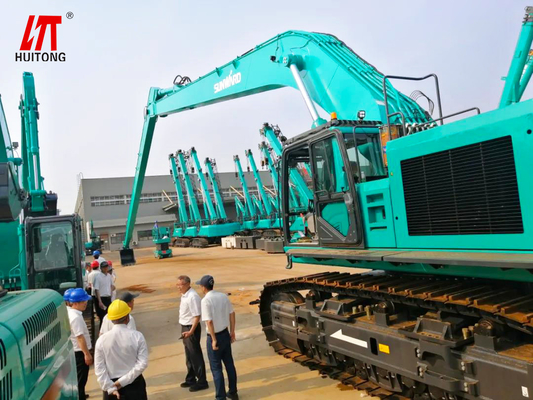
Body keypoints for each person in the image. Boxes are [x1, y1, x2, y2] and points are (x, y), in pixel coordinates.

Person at [94, 300, 148, 400]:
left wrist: (111, 388)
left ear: (110, 319)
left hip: (111, 387)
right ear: (127, 318)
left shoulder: (101, 341)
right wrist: (122, 382)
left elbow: (99, 369)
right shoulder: (137, 336)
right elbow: (142, 363)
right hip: (134, 385)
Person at [197, 275, 238, 400]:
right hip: (225, 334)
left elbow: (209, 322)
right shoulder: (223, 296)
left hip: (214, 337)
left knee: (216, 369)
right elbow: (232, 313)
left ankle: (220, 397)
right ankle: (233, 392)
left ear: (203, 287)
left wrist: (214, 340)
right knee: (229, 364)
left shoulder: (205, 301)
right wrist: (232, 332)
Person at [177, 275, 208, 392]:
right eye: (177, 285)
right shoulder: (184, 295)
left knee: (195, 355)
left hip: (191, 328)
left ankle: (202, 381)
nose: (178, 287)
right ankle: (191, 378)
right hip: (185, 326)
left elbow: (197, 316)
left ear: (187, 284)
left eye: (180, 285)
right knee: (189, 355)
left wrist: (191, 331)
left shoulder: (192, 297)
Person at [67, 288, 93, 400]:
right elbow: (80, 337)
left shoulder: (73, 313)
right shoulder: (75, 317)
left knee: (80, 378)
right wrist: (86, 354)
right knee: (81, 379)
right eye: (83, 301)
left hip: (77, 351)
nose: (86, 303)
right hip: (79, 352)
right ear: (76, 303)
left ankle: (81, 394)